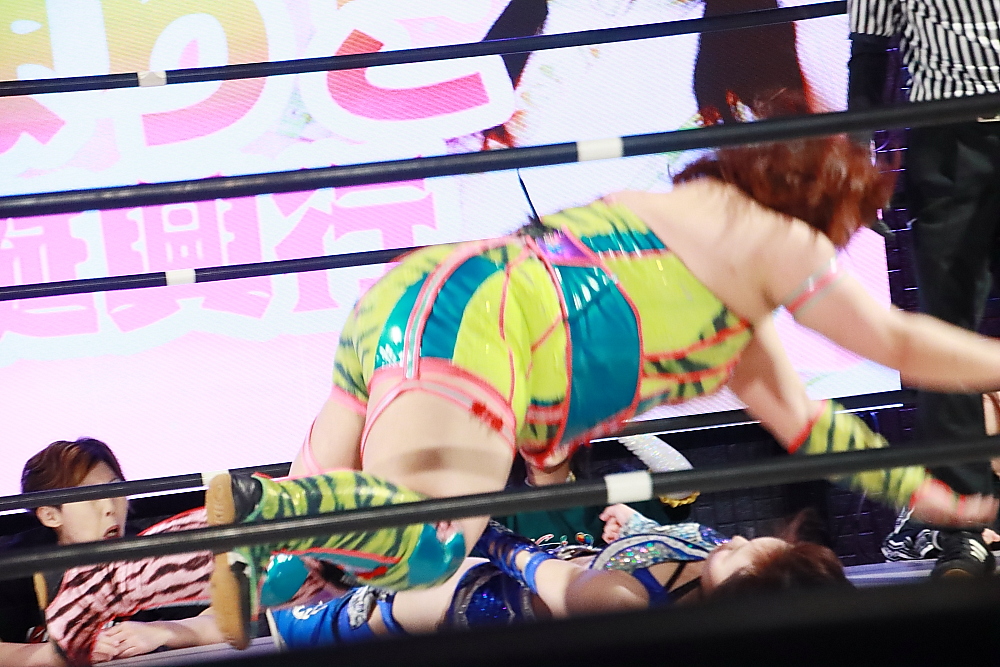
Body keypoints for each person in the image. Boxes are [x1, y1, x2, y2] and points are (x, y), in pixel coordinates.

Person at [202, 102, 1000, 648]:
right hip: (480, 334)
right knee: (432, 548)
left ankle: (272, 552)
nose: (836, 255)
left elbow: (811, 426)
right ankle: (267, 509)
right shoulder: (767, 234)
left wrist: (928, 495)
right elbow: (895, 339)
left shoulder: (720, 291)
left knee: (318, 541)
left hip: (419, 297)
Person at [848, 0, 1000, 577]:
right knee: (944, 334)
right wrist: (858, 161)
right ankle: (965, 530)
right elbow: (869, 47)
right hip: (949, 136)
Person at [265, 503, 847, 650]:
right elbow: (681, 542)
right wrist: (639, 526)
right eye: (752, 539)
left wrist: (483, 525)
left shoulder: (621, 602)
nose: (734, 540)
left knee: (320, 622)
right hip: (523, 571)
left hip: (491, 602)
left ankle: (299, 608)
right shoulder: (724, 559)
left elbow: (532, 565)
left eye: (740, 555)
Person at [0, 439, 226, 666]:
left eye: (115, 490)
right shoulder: (15, 564)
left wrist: (163, 631)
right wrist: (58, 654)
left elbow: (226, 620)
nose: (109, 508)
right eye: (89, 497)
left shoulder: (153, 550)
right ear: (50, 516)